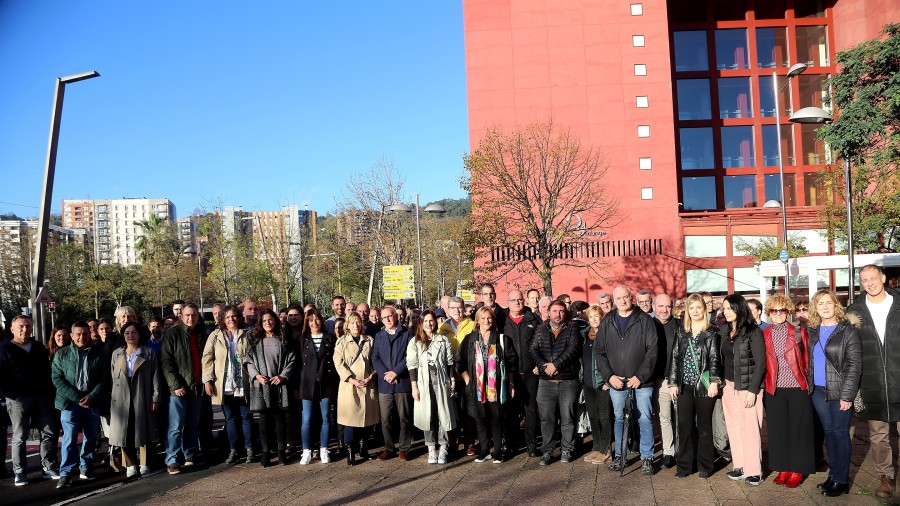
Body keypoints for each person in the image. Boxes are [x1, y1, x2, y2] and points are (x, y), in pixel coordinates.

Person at [848, 264, 900, 499]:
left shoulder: (898, 304)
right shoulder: (854, 311)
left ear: (883, 277)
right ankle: (885, 477)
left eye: (873, 278)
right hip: (872, 382)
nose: (870, 283)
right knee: (878, 434)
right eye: (865, 280)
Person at [595, 285, 658, 475]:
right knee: (620, 419)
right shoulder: (608, 322)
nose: (622, 301)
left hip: (642, 382)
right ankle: (620, 455)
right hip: (617, 382)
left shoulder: (645, 320)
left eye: (626, 297)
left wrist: (640, 376)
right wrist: (609, 376)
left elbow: (652, 350)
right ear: (614, 300)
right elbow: (599, 351)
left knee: (644, 418)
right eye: (619, 298)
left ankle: (647, 457)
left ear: (632, 298)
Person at [807, 289, 861, 497]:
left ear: (835, 305)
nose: (825, 307)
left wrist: (847, 395)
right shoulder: (813, 330)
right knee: (829, 434)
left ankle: (842, 480)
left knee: (840, 433)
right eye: (820, 303)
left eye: (829, 302)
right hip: (818, 391)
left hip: (839, 391)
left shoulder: (847, 330)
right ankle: (833, 475)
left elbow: (854, 366)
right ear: (815, 307)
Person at [762, 293, 814, 488]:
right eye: (774, 310)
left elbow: (807, 360)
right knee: (778, 430)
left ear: (788, 312)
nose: (778, 313)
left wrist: (808, 384)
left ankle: (797, 469)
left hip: (797, 387)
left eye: (782, 310)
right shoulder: (764, 334)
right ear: (769, 312)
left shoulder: (799, 332)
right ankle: (783, 467)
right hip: (774, 388)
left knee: (799, 430)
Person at [0, 315, 59, 486]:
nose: (25, 329)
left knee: (48, 432)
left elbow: (47, 371)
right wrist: (11, 394)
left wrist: (49, 392)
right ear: (12, 329)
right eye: (21, 326)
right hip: (18, 400)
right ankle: (20, 472)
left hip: (42, 397)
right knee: (20, 436)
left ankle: (48, 467)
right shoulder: (4, 349)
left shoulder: (39, 347)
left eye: (28, 326)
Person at [668, 294, 721, 479]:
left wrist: (714, 382)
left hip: (704, 385)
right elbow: (675, 357)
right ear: (687, 311)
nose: (695, 311)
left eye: (698, 307)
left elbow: (715, 359)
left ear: (704, 309)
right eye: (692, 308)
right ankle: (684, 465)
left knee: (704, 427)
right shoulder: (682, 331)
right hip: (685, 386)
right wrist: (673, 383)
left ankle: (705, 465)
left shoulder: (711, 331)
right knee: (684, 425)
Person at [457, 306, 517, 463]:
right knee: (480, 420)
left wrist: (511, 383)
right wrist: (467, 379)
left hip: (496, 387)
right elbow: (459, 361)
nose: (486, 321)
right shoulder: (470, 339)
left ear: (493, 320)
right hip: (476, 387)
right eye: (483, 318)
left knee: (496, 419)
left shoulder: (502, 339)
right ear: (477, 320)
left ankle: (497, 451)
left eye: (489, 318)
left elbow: (511, 363)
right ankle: (484, 451)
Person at [52, 321, 107, 488]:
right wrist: (77, 397)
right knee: (69, 439)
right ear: (72, 335)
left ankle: (86, 467)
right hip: (69, 403)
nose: (81, 337)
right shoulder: (62, 353)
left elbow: (105, 378)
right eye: (78, 334)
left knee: (91, 437)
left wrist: (92, 396)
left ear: (89, 334)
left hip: (92, 402)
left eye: (85, 334)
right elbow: (57, 378)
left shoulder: (99, 353)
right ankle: (66, 472)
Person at [718, 294, 766, 486]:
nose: (726, 312)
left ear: (739, 308)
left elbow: (761, 363)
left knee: (750, 429)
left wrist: (753, 390)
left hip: (748, 388)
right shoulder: (724, 330)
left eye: (729, 308)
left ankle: (754, 470)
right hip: (729, 387)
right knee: (733, 427)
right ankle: (740, 466)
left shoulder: (753, 331)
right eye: (724, 308)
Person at [531, 299, 582, 465]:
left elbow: (573, 349)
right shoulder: (541, 329)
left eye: (561, 311)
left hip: (567, 380)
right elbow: (534, 349)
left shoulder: (573, 327)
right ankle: (547, 451)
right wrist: (543, 366)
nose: (558, 314)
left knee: (568, 417)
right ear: (548, 312)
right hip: (546, 381)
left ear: (565, 313)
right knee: (546, 419)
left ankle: (567, 449)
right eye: (554, 311)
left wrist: (556, 365)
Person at [109, 322, 162, 478]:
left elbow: (156, 376)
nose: (130, 335)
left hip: (142, 395)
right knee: (123, 433)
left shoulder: (148, 352)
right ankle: (130, 464)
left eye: (133, 332)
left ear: (139, 335)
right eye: (127, 333)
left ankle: (144, 463)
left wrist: (156, 397)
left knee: (143, 430)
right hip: (121, 398)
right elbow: (112, 377)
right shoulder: (117, 354)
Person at [202, 305, 253, 465]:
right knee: (230, 418)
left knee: (246, 416)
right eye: (228, 317)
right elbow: (207, 358)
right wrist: (207, 380)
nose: (231, 319)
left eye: (234, 316)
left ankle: (250, 449)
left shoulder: (247, 334)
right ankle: (234, 450)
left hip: (243, 383)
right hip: (224, 384)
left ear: (239, 317)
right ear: (223, 319)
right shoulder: (215, 335)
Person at [245, 309, 295, 467]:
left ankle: (281, 452)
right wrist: (257, 376)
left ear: (275, 320)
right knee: (264, 421)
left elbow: (292, 360)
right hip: (262, 385)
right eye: (265, 320)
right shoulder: (255, 340)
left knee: (280, 420)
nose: (268, 323)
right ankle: (266, 453)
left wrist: (283, 376)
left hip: (280, 385)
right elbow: (249, 361)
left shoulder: (283, 338)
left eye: (270, 319)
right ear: (261, 323)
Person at [161, 304, 207, 475]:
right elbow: (166, 362)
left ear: (198, 316)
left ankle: (190, 454)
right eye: (187, 315)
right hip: (178, 389)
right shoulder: (172, 334)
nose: (190, 318)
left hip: (197, 387)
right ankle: (172, 459)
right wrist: (176, 385)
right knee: (175, 426)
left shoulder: (202, 334)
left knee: (192, 425)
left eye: (194, 315)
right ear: (181, 316)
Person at [407, 311, 457, 464]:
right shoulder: (415, 342)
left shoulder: (443, 340)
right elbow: (412, 365)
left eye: (431, 321)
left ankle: (443, 447)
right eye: (426, 321)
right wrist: (414, 386)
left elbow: (449, 362)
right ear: (421, 323)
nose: (429, 324)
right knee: (427, 416)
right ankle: (430, 447)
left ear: (435, 322)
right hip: (423, 383)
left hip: (441, 381)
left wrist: (452, 381)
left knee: (443, 415)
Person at [334, 313, 379, 465]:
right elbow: (338, 364)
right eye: (352, 323)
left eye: (358, 322)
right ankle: (350, 452)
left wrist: (370, 377)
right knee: (350, 420)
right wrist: (352, 380)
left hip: (367, 384)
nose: (355, 325)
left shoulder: (369, 341)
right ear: (347, 324)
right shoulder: (342, 342)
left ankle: (363, 449)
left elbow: (374, 361)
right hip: (349, 385)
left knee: (366, 419)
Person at [297, 309, 339, 465]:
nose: (314, 323)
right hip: (307, 384)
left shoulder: (330, 338)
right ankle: (306, 450)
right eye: (310, 320)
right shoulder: (303, 339)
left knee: (326, 418)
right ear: (307, 323)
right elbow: (298, 363)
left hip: (325, 383)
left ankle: (324, 449)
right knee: (307, 419)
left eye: (317, 319)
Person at [372, 306, 413, 460]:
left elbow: (410, 356)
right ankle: (389, 448)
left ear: (396, 316)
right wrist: (386, 375)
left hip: (402, 381)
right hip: (385, 383)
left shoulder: (407, 333)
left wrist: (396, 372)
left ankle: (404, 448)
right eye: (384, 318)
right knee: (386, 419)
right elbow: (375, 357)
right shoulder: (379, 336)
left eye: (389, 316)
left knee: (404, 417)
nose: (387, 319)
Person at [504, 289, 541, 457]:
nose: (517, 303)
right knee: (511, 410)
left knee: (531, 410)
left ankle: (531, 444)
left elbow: (542, 342)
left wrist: (539, 363)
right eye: (513, 300)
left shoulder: (533, 319)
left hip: (530, 372)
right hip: (510, 373)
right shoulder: (502, 320)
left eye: (519, 299)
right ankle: (512, 444)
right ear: (508, 302)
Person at [438, 296, 477, 455]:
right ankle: (452, 442)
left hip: (468, 374)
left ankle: (469, 443)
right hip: (449, 376)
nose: (456, 310)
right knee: (451, 410)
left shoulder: (472, 325)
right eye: (453, 308)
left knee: (469, 410)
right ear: (447, 310)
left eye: (459, 307)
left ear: (464, 308)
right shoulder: (441, 328)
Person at [581, 304, 612, 464]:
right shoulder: (585, 335)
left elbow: (613, 359)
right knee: (593, 416)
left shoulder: (608, 334)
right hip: (588, 382)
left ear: (602, 317)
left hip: (602, 383)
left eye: (596, 316)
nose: (593, 319)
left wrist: (608, 380)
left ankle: (606, 450)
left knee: (604, 417)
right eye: (590, 316)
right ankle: (597, 447)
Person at [651, 294, 677, 469]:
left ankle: (682, 449)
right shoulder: (648, 326)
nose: (664, 310)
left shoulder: (681, 325)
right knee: (664, 418)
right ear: (654, 307)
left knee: (682, 418)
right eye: (660, 306)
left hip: (678, 381)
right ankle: (668, 452)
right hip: (659, 381)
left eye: (667, 306)